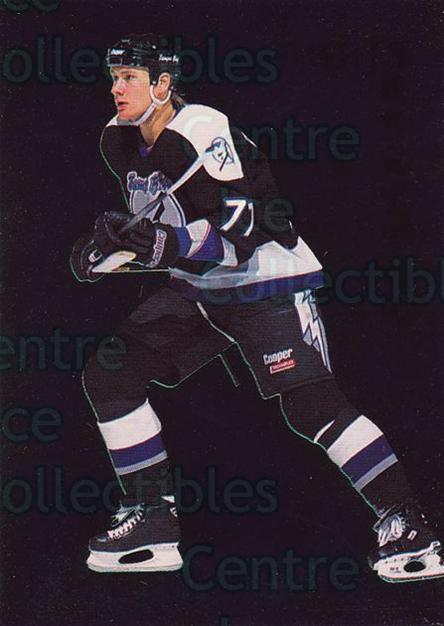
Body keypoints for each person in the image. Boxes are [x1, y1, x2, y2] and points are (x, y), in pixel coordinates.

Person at [70, 34, 443, 582]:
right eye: (114, 76)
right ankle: (153, 520)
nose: (116, 88)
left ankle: (411, 526)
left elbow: (240, 235)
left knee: (312, 407)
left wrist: (159, 246)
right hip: (201, 289)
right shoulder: (117, 139)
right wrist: (111, 258)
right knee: (111, 373)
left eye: (129, 77)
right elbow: (166, 233)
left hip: (264, 282)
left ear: (163, 83)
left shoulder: (201, 128)